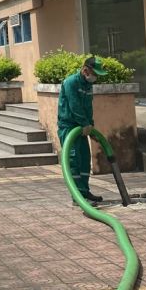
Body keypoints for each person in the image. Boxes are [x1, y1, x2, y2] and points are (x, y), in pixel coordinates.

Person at [58, 55, 108, 204]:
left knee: (85, 159)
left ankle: (84, 192)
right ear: (85, 71)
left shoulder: (87, 85)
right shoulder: (70, 83)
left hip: (82, 128)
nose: (95, 78)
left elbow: (88, 107)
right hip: (69, 127)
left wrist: (90, 126)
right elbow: (74, 106)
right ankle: (77, 197)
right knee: (73, 161)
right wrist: (84, 123)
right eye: (94, 74)